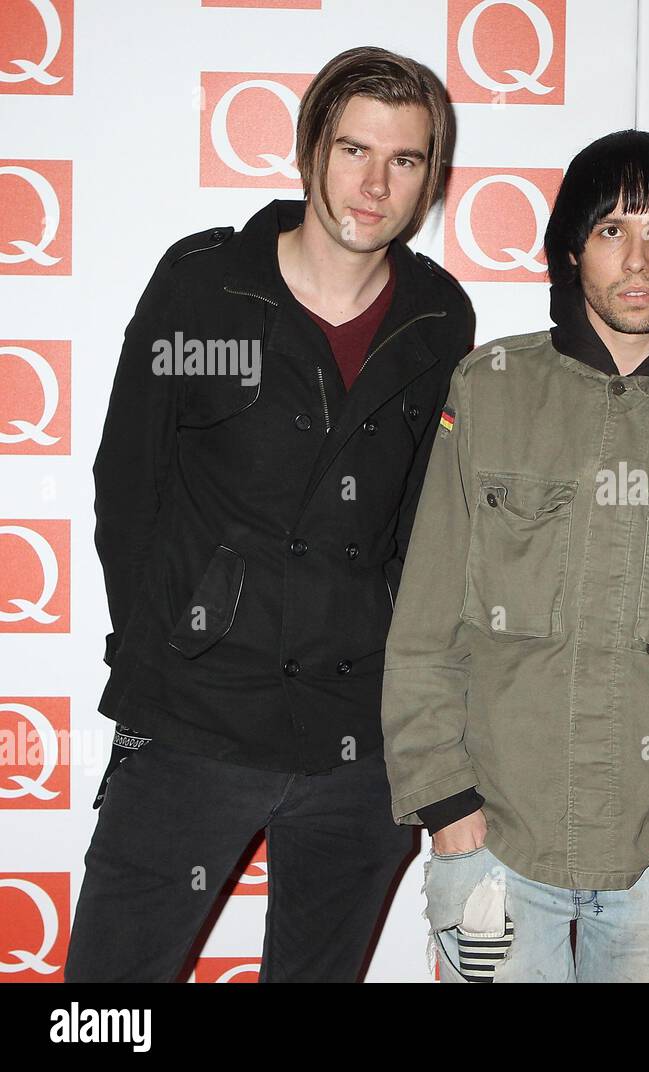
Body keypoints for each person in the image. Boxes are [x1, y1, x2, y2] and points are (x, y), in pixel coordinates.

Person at [65, 46, 473, 982]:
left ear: (429, 180)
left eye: (404, 161)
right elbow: (128, 482)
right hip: (193, 725)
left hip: (356, 744)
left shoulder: (439, 318)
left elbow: (418, 530)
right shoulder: (206, 286)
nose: (374, 184)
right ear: (309, 152)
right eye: (353, 150)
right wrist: (169, 645)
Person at [381, 129, 649, 983]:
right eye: (612, 230)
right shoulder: (486, 389)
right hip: (493, 844)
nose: (638, 259)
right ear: (572, 249)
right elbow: (423, 626)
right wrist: (450, 810)